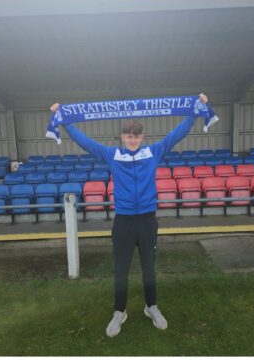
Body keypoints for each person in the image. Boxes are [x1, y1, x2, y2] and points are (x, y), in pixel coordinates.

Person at [50, 93, 208, 338]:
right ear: (122, 137)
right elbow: (86, 142)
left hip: (147, 220)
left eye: (136, 136)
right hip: (123, 221)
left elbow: (177, 134)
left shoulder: (153, 152)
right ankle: (119, 312)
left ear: (142, 137)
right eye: (128, 136)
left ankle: (151, 307)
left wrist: (195, 112)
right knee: (121, 270)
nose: (132, 140)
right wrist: (66, 121)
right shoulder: (112, 155)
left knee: (148, 269)